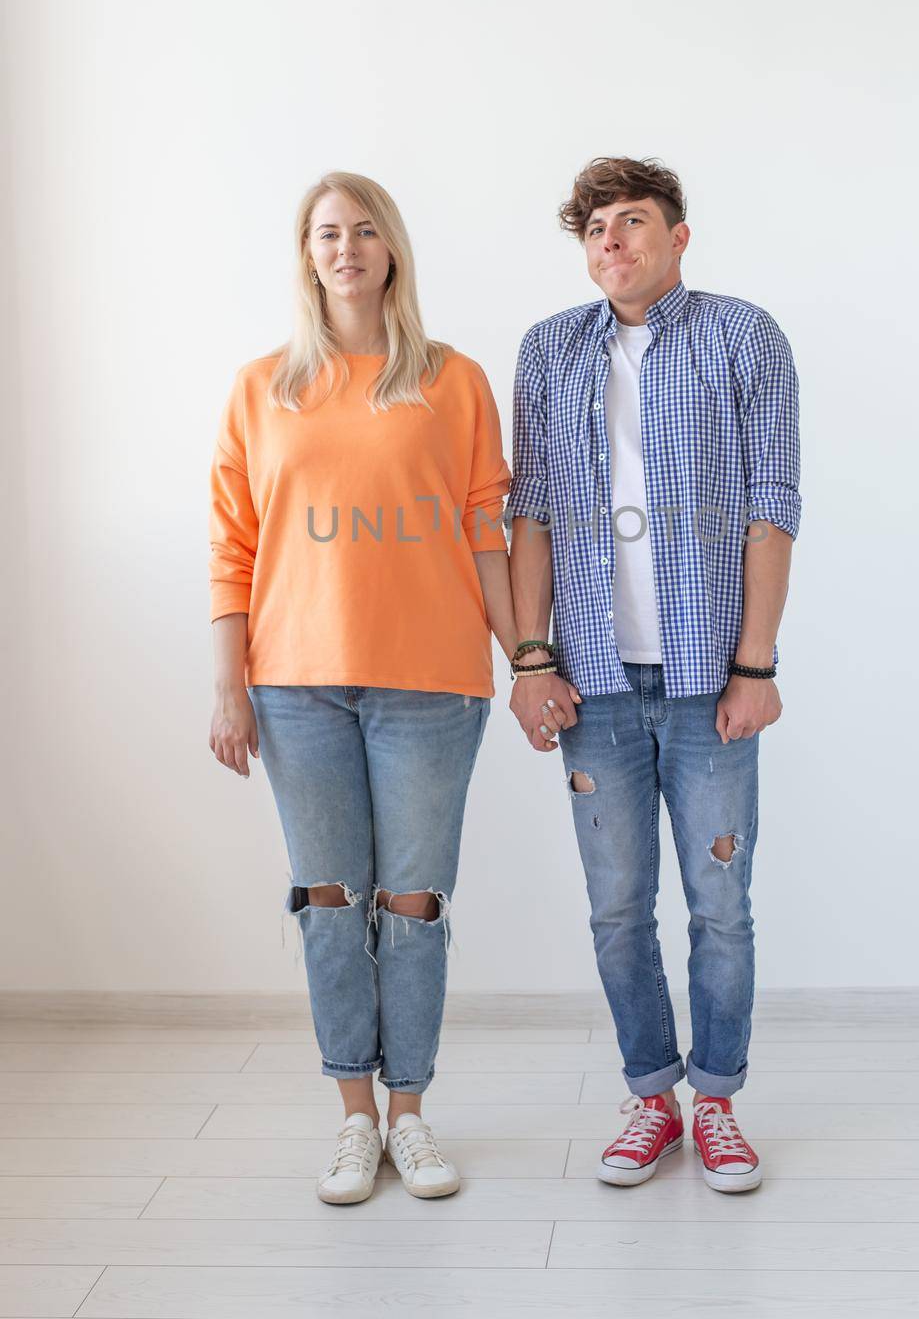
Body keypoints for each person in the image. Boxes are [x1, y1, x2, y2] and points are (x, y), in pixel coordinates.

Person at [207, 171, 518, 1205]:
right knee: (330, 902)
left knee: (413, 904)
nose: (344, 247)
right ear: (308, 254)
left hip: (430, 682)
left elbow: (487, 530)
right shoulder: (264, 387)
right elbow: (233, 544)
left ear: (391, 248)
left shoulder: (454, 379)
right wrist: (227, 682)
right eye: (326, 233)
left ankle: (410, 1115)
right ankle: (351, 1118)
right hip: (295, 685)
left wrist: (526, 657)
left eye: (363, 229)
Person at [506, 156, 801, 1192]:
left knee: (719, 900)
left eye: (631, 222)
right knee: (616, 905)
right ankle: (650, 1097)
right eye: (594, 229)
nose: (611, 242)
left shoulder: (742, 336)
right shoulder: (547, 352)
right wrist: (530, 654)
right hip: (590, 680)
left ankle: (715, 1101)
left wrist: (753, 663)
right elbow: (528, 514)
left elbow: (772, 504)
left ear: (677, 236)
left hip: (704, 680)